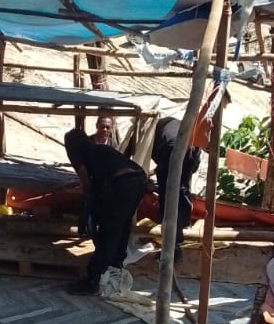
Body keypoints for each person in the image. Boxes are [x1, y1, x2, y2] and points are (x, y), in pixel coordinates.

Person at [64, 128, 147, 295]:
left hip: (123, 183)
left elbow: (86, 183)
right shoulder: (97, 148)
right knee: (123, 226)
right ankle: (115, 266)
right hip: (139, 178)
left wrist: (91, 209)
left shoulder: (75, 149)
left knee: (109, 231)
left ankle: (92, 280)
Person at [151, 116, 201, 260]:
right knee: (182, 189)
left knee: (168, 198)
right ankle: (183, 222)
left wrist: (161, 176)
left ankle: (173, 246)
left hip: (173, 150)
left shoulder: (156, 132)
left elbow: (156, 157)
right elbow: (194, 162)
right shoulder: (179, 125)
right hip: (191, 148)